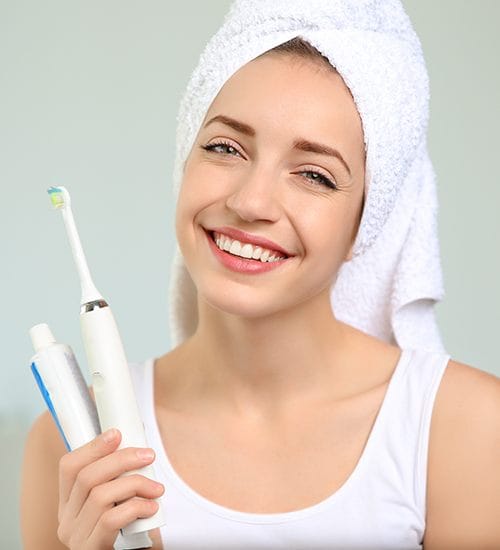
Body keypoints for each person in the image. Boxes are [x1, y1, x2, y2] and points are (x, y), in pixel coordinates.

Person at [21, 1, 500, 549]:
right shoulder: (73, 443)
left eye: (315, 176)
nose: (250, 202)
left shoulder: (465, 430)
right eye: (225, 147)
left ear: (366, 222)